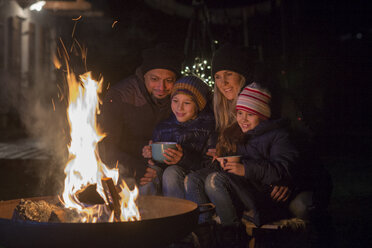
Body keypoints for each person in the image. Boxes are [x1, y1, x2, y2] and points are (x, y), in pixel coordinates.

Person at [205, 83, 332, 247]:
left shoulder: (279, 136)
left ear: (263, 115)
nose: (243, 119)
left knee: (216, 181)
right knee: (213, 179)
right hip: (251, 189)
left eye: (250, 114)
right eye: (240, 113)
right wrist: (221, 160)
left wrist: (245, 169)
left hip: (272, 194)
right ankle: (229, 235)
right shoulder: (238, 136)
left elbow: (283, 169)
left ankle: (235, 238)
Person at [97, 43, 184, 185]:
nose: (161, 87)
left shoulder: (181, 96)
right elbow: (106, 146)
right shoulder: (120, 96)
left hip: (167, 164)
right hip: (129, 164)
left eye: (168, 80)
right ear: (144, 76)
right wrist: (134, 167)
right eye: (154, 79)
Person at [140, 75, 215, 199]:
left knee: (171, 172)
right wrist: (149, 155)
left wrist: (183, 158)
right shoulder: (163, 127)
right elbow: (157, 161)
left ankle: (176, 214)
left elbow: (209, 165)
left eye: (187, 103)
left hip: (189, 175)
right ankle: (145, 213)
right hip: (164, 172)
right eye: (175, 101)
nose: (179, 108)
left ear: (199, 105)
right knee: (150, 172)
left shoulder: (209, 128)